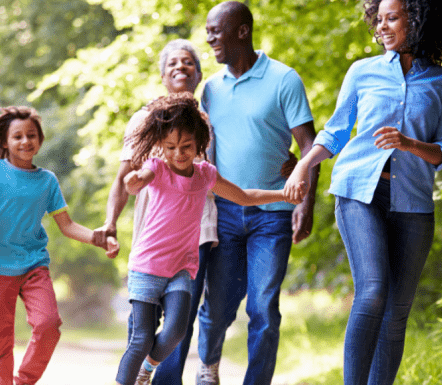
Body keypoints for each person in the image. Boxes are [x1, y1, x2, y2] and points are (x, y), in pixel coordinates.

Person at [284, 0, 442, 383]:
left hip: (413, 203)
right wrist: (303, 164)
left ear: (416, 20)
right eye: (377, 19)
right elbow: (335, 131)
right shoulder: (362, 72)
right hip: (358, 192)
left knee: (397, 312)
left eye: (391, 18)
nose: (381, 26)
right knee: (374, 291)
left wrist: (409, 143)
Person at [115, 93, 298, 385]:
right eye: (171, 147)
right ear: (161, 146)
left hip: (180, 268)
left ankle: (146, 370)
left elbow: (244, 196)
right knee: (141, 338)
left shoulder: (205, 175)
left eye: (186, 146)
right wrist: (133, 180)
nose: (178, 153)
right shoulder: (158, 168)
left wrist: (282, 193)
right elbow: (139, 178)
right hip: (148, 266)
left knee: (176, 330)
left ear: (200, 143)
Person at [196, 2, 318, 384]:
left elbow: (310, 144)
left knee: (264, 306)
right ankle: (208, 365)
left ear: (242, 31)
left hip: (274, 212)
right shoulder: (211, 89)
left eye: (216, 31)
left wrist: (306, 205)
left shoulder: (284, 79)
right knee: (219, 307)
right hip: (226, 212)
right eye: (208, 32)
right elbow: (198, 151)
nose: (210, 38)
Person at [92, 39, 215, 385]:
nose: (180, 67)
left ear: (199, 73)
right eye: (172, 63)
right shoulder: (145, 120)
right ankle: (134, 376)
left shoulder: (207, 121)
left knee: (180, 323)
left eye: (188, 62)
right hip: (154, 236)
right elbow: (125, 178)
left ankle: (156, 377)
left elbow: (220, 176)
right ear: (162, 76)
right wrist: (111, 223)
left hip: (199, 233)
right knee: (142, 332)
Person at [0, 106, 118, 385]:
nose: (25, 141)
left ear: (39, 140)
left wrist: (99, 239)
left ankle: (24, 381)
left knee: (48, 324)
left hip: (32, 263)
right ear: (5, 142)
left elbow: (67, 225)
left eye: (31, 135)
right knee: (0, 341)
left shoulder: (47, 180)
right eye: (17, 136)